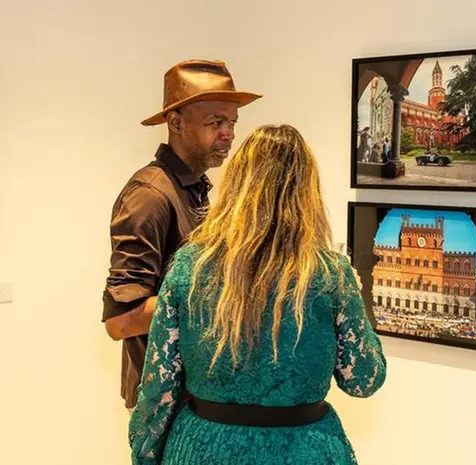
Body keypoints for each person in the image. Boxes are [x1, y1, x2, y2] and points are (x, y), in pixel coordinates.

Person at [128, 124, 387, 465]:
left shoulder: (189, 267)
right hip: (304, 449)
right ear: (307, 191)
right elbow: (363, 378)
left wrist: (145, 454)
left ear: (236, 184)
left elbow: (159, 388)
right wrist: (355, 292)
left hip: (204, 448)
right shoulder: (330, 274)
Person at [101, 59, 262, 412]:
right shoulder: (149, 195)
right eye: (215, 122)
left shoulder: (194, 188)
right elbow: (118, 322)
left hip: (193, 399)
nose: (229, 134)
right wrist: (226, 296)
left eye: (232, 122)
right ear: (175, 123)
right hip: (163, 406)